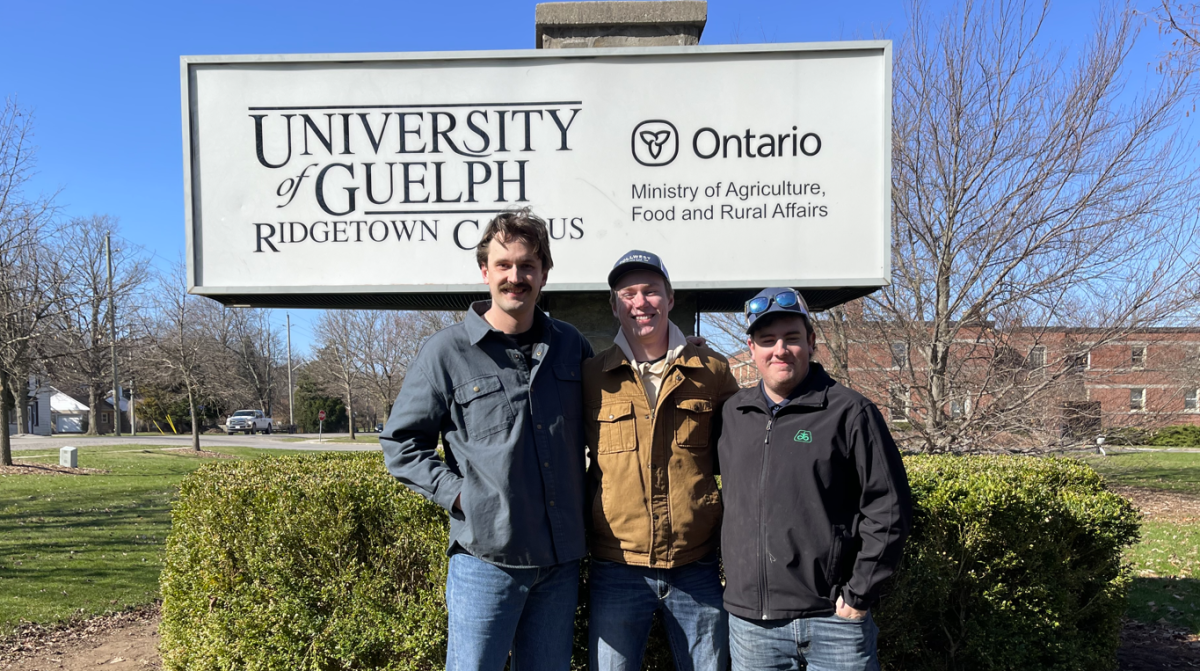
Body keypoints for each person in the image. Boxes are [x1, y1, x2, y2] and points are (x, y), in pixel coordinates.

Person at [380, 209, 593, 671]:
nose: (515, 277)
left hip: (560, 563)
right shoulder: (445, 352)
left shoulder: (571, 345)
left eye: (527, 265)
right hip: (485, 560)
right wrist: (460, 496)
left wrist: (682, 346)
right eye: (504, 265)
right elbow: (400, 443)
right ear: (484, 271)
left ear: (544, 273)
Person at [716, 288, 912, 671]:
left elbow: (889, 509)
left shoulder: (850, 412)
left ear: (811, 341)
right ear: (751, 349)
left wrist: (859, 593)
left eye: (791, 338)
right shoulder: (732, 415)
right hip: (752, 626)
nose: (780, 350)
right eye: (767, 340)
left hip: (833, 621)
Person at [583, 250, 740, 671]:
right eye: (628, 293)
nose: (640, 302)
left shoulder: (711, 370)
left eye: (651, 291)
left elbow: (741, 451)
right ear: (614, 305)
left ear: (670, 299)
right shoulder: (592, 376)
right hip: (617, 564)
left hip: (696, 564)